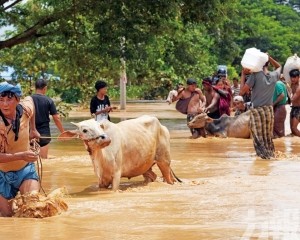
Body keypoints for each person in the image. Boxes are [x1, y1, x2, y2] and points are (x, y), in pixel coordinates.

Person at [0, 81, 40, 217]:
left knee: (33, 210)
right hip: (2, 174)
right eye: (1, 100)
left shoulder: (25, 109)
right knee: (7, 217)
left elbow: (31, 101)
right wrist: (22, 155)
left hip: (25, 171)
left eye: (9, 99)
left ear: (18, 100)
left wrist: (33, 129)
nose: (5, 104)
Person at [240, 55, 281, 159]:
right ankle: (270, 155)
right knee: (267, 136)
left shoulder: (255, 75)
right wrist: (269, 57)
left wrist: (243, 75)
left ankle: (263, 158)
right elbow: (279, 66)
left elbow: (241, 92)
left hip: (257, 110)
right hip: (269, 110)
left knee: (258, 136)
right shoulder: (273, 75)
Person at [31, 79, 64, 159]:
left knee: (31, 160)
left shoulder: (28, 99)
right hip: (44, 133)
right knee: (44, 159)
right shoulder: (48, 100)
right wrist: (63, 132)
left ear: (35, 88)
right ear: (45, 88)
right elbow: (56, 118)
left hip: (30, 132)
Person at [289, 69, 300, 137]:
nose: (292, 79)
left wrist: (287, 89)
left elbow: (292, 99)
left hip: (299, 109)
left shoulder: (299, 87)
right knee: (292, 130)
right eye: (291, 77)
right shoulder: (292, 84)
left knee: (294, 128)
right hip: (294, 108)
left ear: (298, 77)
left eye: (294, 77)